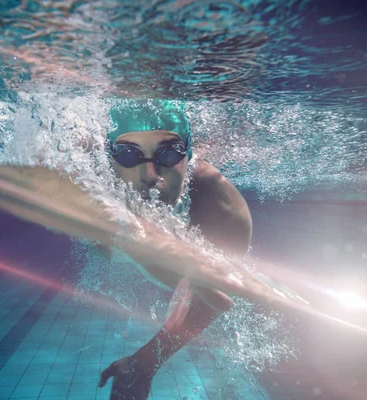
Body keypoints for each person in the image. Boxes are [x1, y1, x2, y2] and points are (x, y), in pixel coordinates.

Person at [97, 99, 252, 399]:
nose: (150, 174)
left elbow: (213, 301)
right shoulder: (89, 178)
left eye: (168, 154)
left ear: (189, 156)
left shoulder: (224, 211)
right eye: (128, 155)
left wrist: (146, 362)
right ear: (109, 159)